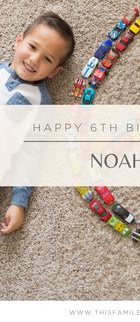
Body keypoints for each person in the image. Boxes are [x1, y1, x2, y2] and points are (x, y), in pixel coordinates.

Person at [0, 12, 75, 234]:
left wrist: (19, 202)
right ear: (18, 41)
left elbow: (31, 154)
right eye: (32, 47)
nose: (34, 59)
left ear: (55, 72)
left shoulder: (40, 102)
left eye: (47, 59)